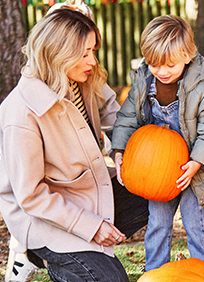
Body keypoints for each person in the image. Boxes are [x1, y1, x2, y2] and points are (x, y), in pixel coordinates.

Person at [0, 7, 148, 282]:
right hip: (47, 220)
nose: (92, 60)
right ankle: (44, 255)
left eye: (93, 50)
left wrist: (124, 150)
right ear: (58, 54)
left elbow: (117, 119)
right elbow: (32, 196)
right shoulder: (21, 113)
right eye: (84, 53)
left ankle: (81, 257)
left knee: (159, 187)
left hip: (90, 193)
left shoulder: (82, 80)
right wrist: (92, 228)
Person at [111, 15, 204, 279]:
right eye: (154, 64)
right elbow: (127, 117)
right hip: (160, 172)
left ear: (187, 55)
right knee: (157, 223)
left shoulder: (202, 89)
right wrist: (119, 150)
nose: (162, 71)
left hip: (194, 170)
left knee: (195, 223)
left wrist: (197, 162)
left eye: (169, 65)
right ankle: (156, 272)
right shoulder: (145, 82)